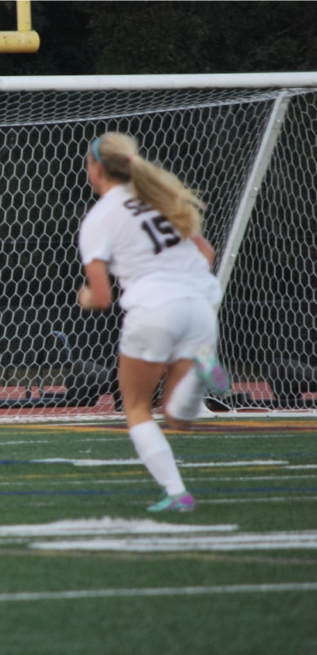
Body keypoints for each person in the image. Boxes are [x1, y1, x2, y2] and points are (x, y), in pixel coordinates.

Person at [77, 131, 230, 513]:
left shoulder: (100, 217)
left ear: (97, 169)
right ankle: (200, 372)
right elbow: (206, 253)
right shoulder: (159, 200)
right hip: (199, 307)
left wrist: (84, 296)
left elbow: (101, 297)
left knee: (136, 407)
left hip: (154, 310)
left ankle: (178, 493)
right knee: (176, 417)